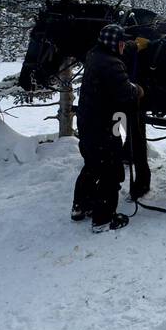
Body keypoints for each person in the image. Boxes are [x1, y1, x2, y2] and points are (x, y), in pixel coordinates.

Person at [72, 23, 143, 232]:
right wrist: (138, 90)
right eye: (122, 43)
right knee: (111, 173)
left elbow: (116, 54)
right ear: (114, 44)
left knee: (92, 166)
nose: (124, 47)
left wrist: (134, 46)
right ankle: (103, 220)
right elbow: (126, 93)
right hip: (104, 127)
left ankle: (80, 207)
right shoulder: (112, 64)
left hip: (88, 124)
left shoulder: (95, 55)